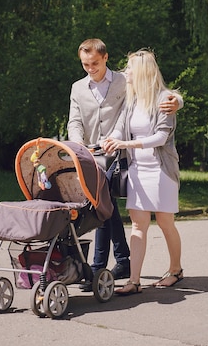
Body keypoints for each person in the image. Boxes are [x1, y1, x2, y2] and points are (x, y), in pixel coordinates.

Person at [67, 39, 182, 287]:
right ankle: (126, 269)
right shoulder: (80, 88)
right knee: (111, 212)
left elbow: (162, 99)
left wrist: (178, 101)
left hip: (127, 158)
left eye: (94, 63)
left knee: (105, 205)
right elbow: (79, 122)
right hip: (98, 155)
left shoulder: (124, 81)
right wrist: (80, 146)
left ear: (105, 58)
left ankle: (102, 267)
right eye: (85, 64)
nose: (90, 68)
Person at [102, 48, 183, 295]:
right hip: (137, 171)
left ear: (142, 73)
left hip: (161, 172)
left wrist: (126, 144)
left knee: (165, 222)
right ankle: (134, 281)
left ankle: (176, 270)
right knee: (138, 226)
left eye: (129, 69)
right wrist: (111, 140)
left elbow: (160, 137)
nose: (125, 73)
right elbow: (119, 129)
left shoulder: (165, 99)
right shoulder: (132, 101)